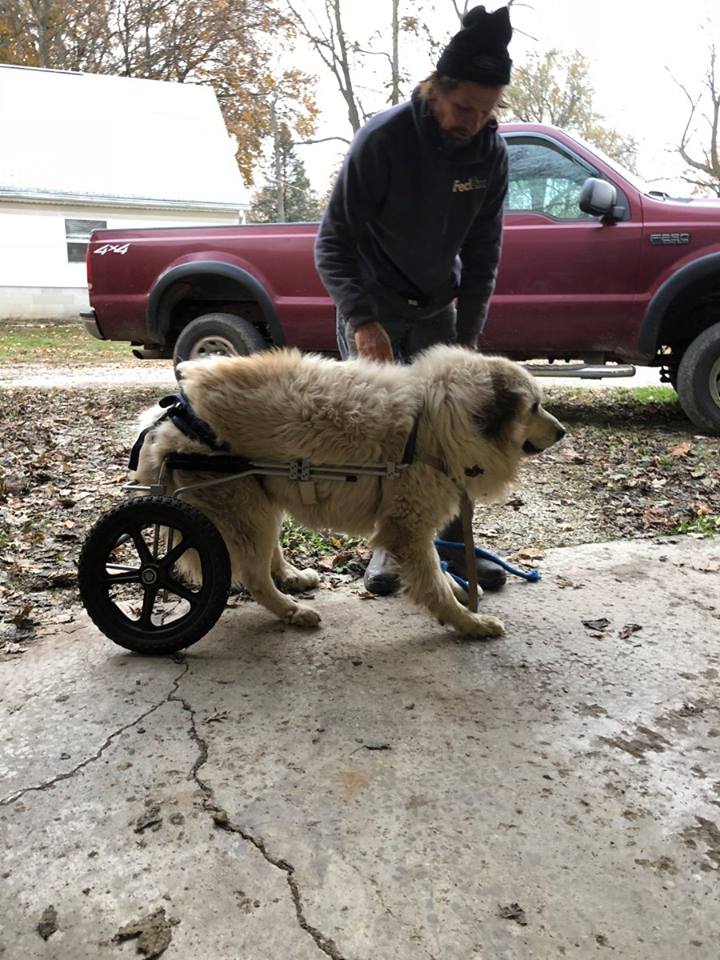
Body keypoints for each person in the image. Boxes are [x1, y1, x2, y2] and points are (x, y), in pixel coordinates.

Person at [314, 4, 513, 596]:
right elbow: (332, 243)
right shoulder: (384, 141)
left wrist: (468, 340)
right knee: (383, 434)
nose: (471, 121)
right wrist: (364, 322)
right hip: (373, 305)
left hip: (437, 307)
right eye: (462, 108)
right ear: (435, 89)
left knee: (449, 434)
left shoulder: (489, 155)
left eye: (485, 111)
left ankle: (451, 547)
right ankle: (389, 555)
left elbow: (483, 255)